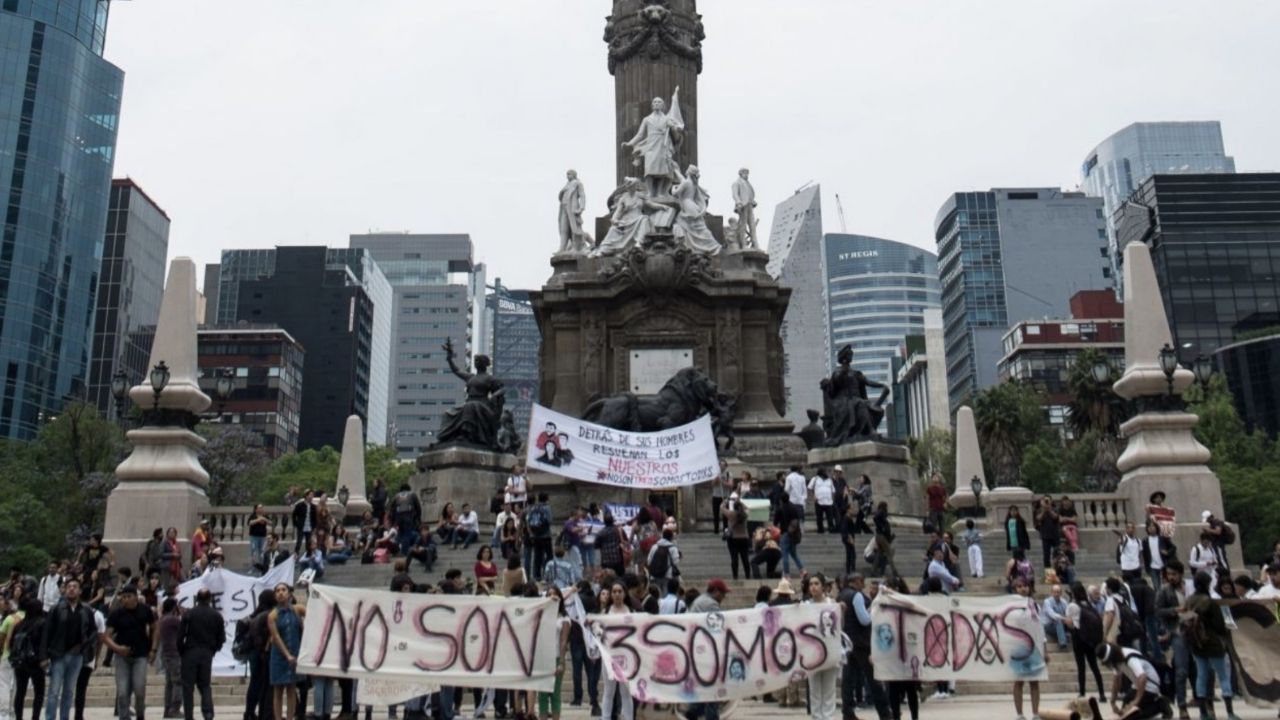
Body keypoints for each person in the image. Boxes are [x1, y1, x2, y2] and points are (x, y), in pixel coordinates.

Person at [40, 577, 96, 720]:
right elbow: (47, 632)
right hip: (58, 654)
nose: (71, 589)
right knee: (53, 691)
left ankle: (65, 717)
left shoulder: (86, 610)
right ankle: (50, 717)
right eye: (69, 586)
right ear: (64, 590)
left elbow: (93, 631)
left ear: (80, 590)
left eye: (75, 586)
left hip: (77, 656)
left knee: (69, 691)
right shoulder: (56, 609)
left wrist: (85, 645)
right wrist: (43, 656)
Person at [1186, 571, 1240, 720]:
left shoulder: (1189, 601)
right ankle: (1230, 712)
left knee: (1201, 675)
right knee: (1223, 675)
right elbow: (1220, 625)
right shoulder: (1210, 601)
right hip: (1213, 643)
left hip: (1196, 643)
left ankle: (1203, 712)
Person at [103, 584, 156, 720]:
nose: (126, 599)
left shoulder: (145, 610)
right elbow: (106, 636)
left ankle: (140, 714)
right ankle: (124, 717)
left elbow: (155, 628)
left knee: (139, 689)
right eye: (124, 597)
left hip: (140, 655)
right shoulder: (116, 614)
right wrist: (117, 648)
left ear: (136, 598)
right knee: (122, 692)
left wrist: (153, 649)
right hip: (122, 657)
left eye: (129, 596)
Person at [178, 589, 223, 720]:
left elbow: (180, 636)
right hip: (207, 653)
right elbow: (221, 638)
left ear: (196, 599)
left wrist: (182, 651)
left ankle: (189, 715)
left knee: (188, 687)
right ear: (210, 599)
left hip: (190, 652)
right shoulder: (216, 615)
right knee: (205, 685)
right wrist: (213, 650)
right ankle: (208, 713)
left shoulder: (189, 614)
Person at [686, 581, 728, 720]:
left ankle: (695, 710)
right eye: (722, 594)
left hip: (697, 649)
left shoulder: (700, 600)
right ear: (715, 591)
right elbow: (719, 626)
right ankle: (707, 715)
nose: (723, 597)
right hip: (707, 652)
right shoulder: (711, 604)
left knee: (704, 685)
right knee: (712, 687)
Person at [1155, 561, 1192, 719]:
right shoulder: (1164, 591)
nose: (1170, 577)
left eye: (1174, 574)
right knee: (1181, 671)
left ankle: (1205, 703)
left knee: (1201, 671)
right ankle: (1182, 705)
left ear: (1181, 574)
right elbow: (1157, 611)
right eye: (1168, 574)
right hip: (1178, 632)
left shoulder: (1191, 587)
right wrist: (1175, 610)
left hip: (1196, 631)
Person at [1097, 642, 1168, 720]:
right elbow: (1117, 680)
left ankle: (1161, 705)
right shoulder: (1116, 661)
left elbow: (1142, 677)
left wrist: (1136, 701)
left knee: (1134, 714)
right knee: (1125, 708)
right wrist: (1113, 702)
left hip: (1150, 685)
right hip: (1137, 685)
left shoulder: (1130, 658)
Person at [803, 574, 840, 720]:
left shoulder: (832, 604)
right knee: (815, 691)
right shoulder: (805, 606)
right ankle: (817, 717)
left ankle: (828, 717)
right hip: (812, 653)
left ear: (823, 586)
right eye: (811, 584)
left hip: (830, 651)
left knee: (829, 689)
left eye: (816, 583)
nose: (813, 587)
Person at [1010, 576, 1046, 720]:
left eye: (1025, 586)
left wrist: (1045, 649)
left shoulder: (1035, 605)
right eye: (1019, 586)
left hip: (1034, 647)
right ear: (1015, 588)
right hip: (1018, 646)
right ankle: (1019, 714)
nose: (1023, 588)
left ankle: (1035, 713)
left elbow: (1040, 628)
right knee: (1019, 681)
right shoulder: (1010, 605)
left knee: (1034, 681)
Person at [267, 584, 305, 720]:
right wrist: (287, 655)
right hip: (279, 656)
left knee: (291, 689)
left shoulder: (297, 609)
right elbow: (276, 637)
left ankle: (289, 717)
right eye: (277, 591)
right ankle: (278, 718)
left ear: (289, 593)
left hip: (295, 652)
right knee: (278, 690)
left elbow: (314, 616)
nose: (280, 593)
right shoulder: (272, 615)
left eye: (283, 590)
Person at [1067, 581, 1108, 703]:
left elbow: (1071, 624)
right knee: (1095, 667)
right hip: (1090, 640)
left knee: (1081, 667)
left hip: (1078, 639)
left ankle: (1082, 692)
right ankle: (1101, 693)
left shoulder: (1073, 605)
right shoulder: (1089, 605)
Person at [599, 583, 634, 720]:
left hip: (626, 656)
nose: (617, 594)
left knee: (626, 692)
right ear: (611, 594)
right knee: (609, 691)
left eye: (620, 591)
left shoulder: (631, 612)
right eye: (614, 591)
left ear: (624, 594)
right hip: (609, 656)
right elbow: (598, 633)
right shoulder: (605, 612)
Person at [155, 598, 183, 719]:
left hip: (166, 653)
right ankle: (175, 708)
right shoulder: (173, 619)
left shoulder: (162, 619)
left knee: (169, 683)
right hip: (174, 653)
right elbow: (184, 629)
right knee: (177, 682)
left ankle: (167, 708)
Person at [723, 495, 751, 579]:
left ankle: (735, 576)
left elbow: (721, 507)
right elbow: (748, 508)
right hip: (744, 538)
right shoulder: (745, 514)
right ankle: (747, 576)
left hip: (733, 539)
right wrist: (740, 502)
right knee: (745, 558)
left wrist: (725, 501)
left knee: (734, 559)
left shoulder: (730, 514)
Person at [391, 483, 423, 556]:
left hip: (398, 516)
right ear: (409, 488)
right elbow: (418, 507)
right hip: (408, 515)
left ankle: (395, 550)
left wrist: (393, 520)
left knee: (400, 533)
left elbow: (391, 508)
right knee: (407, 533)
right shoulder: (412, 494)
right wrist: (419, 518)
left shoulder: (396, 495)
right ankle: (404, 552)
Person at [1035, 495, 1061, 569]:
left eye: (1048, 500)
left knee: (1057, 553)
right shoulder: (1039, 510)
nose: (1046, 502)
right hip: (1045, 535)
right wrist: (1044, 510)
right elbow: (1038, 518)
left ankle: (1058, 569)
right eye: (1045, 500)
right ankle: (1047, 571)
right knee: (1046, 554)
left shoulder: (1055, 509)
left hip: (1055, 534)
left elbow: (1055, 517)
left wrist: (1049, 509)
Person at [1042, 584, 1070, 651]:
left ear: (1061, 593)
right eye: (1055, 592)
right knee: (1058, 620)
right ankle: (1063, 643)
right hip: (1048, 625)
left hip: (1060, 624)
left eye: (1058, 592)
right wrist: (1064, 618)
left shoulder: (1064, 601)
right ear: (1051, 593)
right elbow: (1052, 615)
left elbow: (1068, 613)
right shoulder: (1047, 601)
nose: (1056, 594)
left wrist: (1068, 619)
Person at [809, 468, 838, 534]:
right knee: (819, 518)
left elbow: (833, 491)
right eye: (825, 472)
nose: (827, 473)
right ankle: (820, 531)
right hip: (819, 502)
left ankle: (831, 531)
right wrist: (813, 496)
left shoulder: (829, 480)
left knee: (830, 518)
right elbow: (810, 488)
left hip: (829, 502)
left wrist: (832, 499)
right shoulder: (815, 479)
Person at [247, 505, 271, 571]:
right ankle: (252, 567)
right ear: (256, 509)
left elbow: (270, 523)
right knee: (253, 552)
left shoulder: (265, 515)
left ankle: (262, 567)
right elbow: (249, 523)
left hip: (263, 537)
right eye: (259, 508)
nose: (261, 509)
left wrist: (264, 519)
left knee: (262, 552)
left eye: (262, 508)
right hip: (254, 537)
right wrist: (258, 520)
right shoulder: (253, 516)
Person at [840, 503, 861, 575]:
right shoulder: (846, 518)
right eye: (852, 508)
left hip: (849, 538)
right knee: (851, 555)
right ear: (848, 510)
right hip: (848, 539)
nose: (853, 510)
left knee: (850, 555)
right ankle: (851, 571)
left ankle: (850, 571)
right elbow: (845, 529)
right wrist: (850, 538)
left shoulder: (848, 517)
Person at [712, 459, 732, 535]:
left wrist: (723, 482)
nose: (721, 466)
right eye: (720, 465)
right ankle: (716, 530)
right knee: (716, 513)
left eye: (723, 465)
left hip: (725, 496)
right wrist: (717, 478)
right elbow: (712, 484)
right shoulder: (715, 473)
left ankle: (725, 529)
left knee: (725, 514)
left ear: (726, 466)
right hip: (716, 496)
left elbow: (730, 485)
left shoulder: (729, 474)